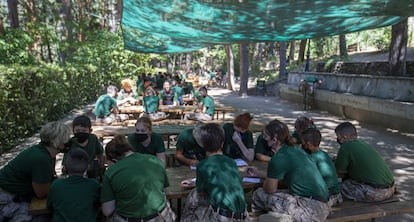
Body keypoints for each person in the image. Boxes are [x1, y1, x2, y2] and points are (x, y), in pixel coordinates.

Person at [251, 120, 330, 222]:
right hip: (323, 204)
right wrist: (259, 174)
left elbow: (269, 190)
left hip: (309, 210)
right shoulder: (296, 150)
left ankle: (279, 218)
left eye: (265, 136)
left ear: (274, 139)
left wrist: (266, 180)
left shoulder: (279, 158)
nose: (264, 139)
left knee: (258, 194)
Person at [0, 121, 72, 222]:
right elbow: (41, 193)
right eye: (66, 138)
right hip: (7, 198)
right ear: (57, 141)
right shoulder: (41, 159)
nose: (68, 141)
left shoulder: (44, 152)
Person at [181, 123, 249, 221]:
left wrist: (195, 184)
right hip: (243, 215)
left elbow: (201, 192)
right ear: (222, 143)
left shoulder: (203, 165)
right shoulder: (231, 162)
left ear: (202, 145)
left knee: (193, 195)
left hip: (222, 217)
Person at [101, 135, 175, 221]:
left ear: (113, 160)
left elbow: (107, 210)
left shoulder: (111, 172)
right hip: (160, 216)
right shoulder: (156, 161)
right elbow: (164, 191)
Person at [334, 122, 395, 202]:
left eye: (338, 137)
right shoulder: (364, 144)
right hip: (391, 189)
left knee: (336, 188)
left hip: (377, 193)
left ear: (344, 137)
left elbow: (339, 173)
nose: (338, 140)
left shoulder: (346, 146)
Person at [47, 148, 101, 222]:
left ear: (65, 167)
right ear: (87, 167)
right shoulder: (94, 185)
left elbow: (49, 206)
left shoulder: (56, 185)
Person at [301, 128, 343, 207]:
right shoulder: (323, 154)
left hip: (327, 195)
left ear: (309, 144)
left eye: (303, 143)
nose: (301, 145)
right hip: (335, 191)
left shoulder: (312, 158)